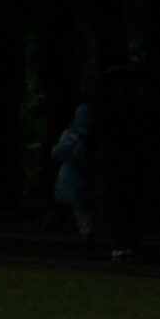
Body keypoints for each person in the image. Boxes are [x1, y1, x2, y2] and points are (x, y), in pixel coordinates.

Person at [52, 103, 98, 253]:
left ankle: (87, 237)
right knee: (89, 210)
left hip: (74, 178)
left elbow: (59, 152)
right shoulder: (96, 134)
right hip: (93, 179)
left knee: (82, 212)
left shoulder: (72, 134)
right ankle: (90, 235)